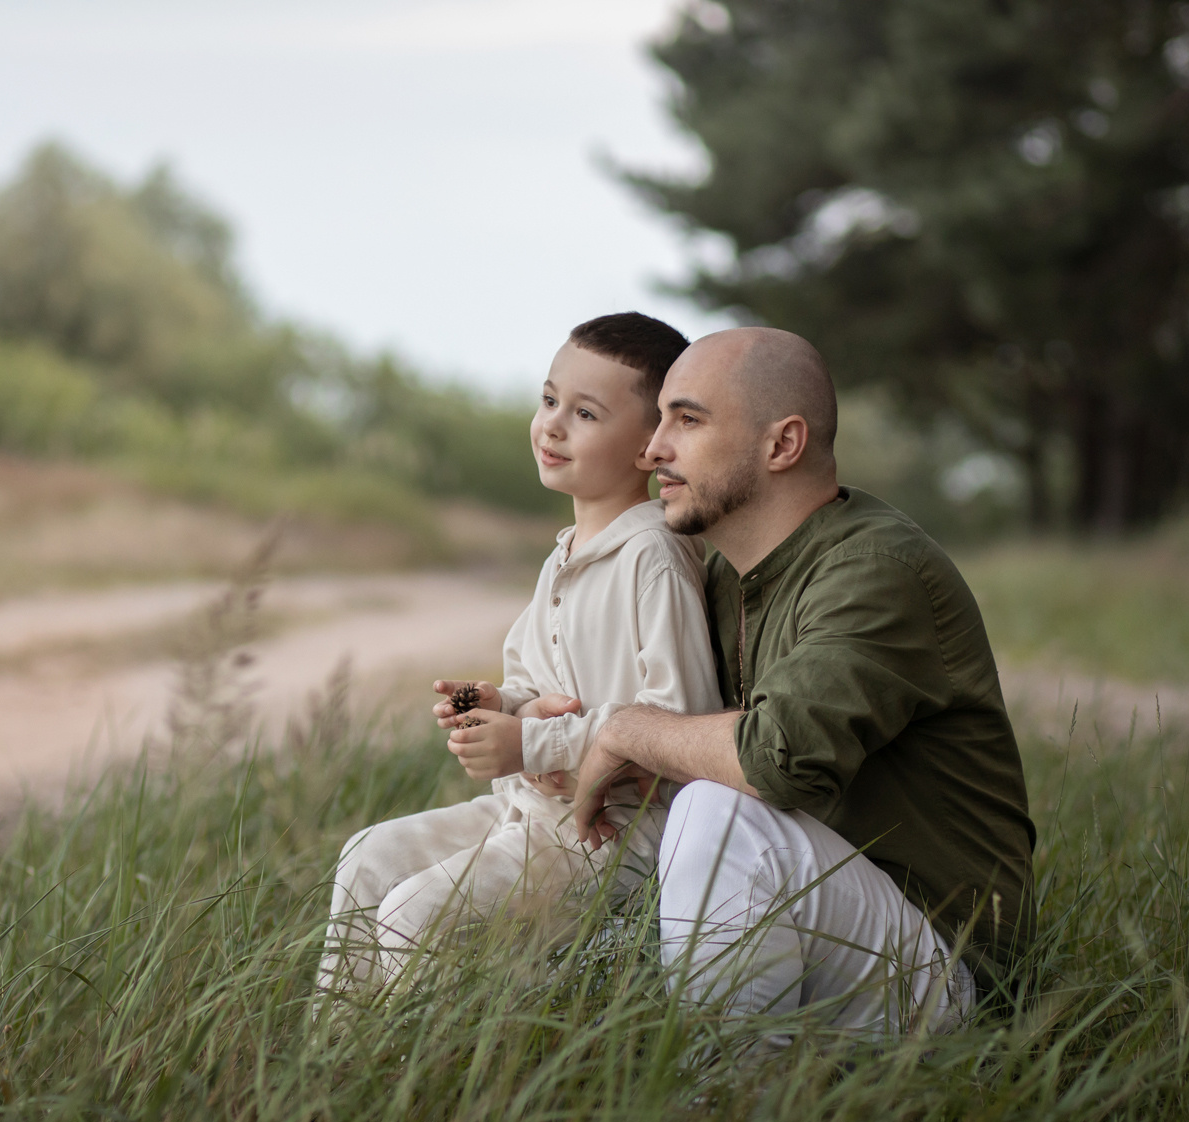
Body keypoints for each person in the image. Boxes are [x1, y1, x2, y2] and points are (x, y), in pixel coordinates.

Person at [571, 327, 1036, 1039]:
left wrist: (625, 729)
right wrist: (535, 720)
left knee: (716, 814)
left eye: (687, 420)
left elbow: (774, 759)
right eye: (660, 418)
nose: (653, 448)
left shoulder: (876, 568)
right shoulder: (723, 574)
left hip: (948, 970)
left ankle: (726, 1097)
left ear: (783, 444)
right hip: (810, 922)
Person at [319, 312, 720, 993]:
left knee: (417, 912)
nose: (552, 425)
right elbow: (537, 687)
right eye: (549, 399)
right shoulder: (561, 559)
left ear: (649, 446)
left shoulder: (654, 558)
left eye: (585, 413)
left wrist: (532, 743)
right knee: (368, 855)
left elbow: (680, 723)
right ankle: (331, 1048)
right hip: (533, 813)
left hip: (614, 832)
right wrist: (499, 705)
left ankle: (430, 1056)